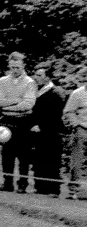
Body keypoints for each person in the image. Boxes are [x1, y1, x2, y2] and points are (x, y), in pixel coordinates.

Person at [0, 52, 37, 193]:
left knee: (23, 154)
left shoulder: (30, 82)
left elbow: (28, 104)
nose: (15, 70)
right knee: (7, 153)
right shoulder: (3, 81)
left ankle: (22, 184)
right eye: (12, 67)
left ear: (23, 66)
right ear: (9, 66)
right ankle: (7, 183)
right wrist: (17, 100)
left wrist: (7, 104)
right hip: (7, 120)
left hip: (24, 120)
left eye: (18, 67)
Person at [30, 65, 65, 197]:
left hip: (51, 130)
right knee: (38, 158)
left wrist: (42, 126)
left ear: (47, 77)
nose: (36, 78)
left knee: (52, 159)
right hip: (36, 131)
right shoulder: (35, 91)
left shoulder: (56, 92)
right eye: (36, 75)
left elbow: (56, 114)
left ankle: (53, 189)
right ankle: (40, 187)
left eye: (40, 75)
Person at [62, 66, 87, 200]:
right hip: (82, 128)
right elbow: (68, 111)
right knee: (77, 160)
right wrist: (76, 124)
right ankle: (74, 190)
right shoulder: (77, 93)